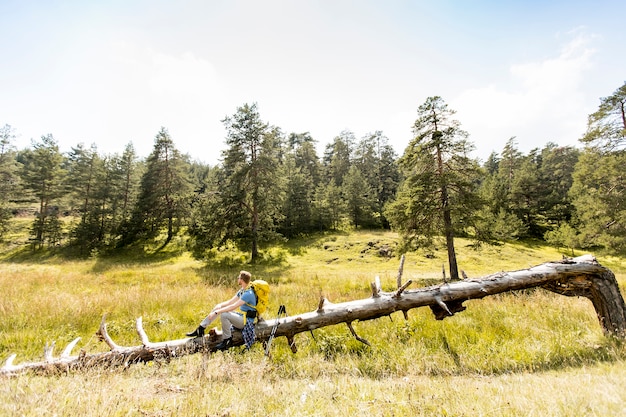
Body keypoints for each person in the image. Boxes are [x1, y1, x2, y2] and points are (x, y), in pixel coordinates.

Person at [186, 270, 257, 351]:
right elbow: (230, 302)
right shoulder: (242, 290)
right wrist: (219, 306)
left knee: (224, 314)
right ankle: (201, 328)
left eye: (238, 278)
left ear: (241, 280)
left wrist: (217, 312)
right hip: (241, 317)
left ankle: (227, 340)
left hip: (246, 322)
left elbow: (233, 306)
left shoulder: (248, 293)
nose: (237, 279)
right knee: (218, 307)